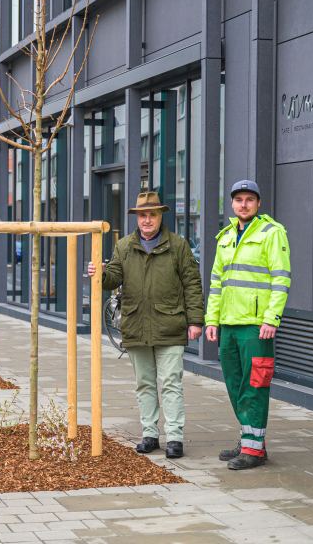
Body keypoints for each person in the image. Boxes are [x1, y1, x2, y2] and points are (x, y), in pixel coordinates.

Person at [87, 191, 204, 459]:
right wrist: (102, 273)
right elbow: (114, 278)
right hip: (137, 324)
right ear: (137, 218)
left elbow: (192, 284)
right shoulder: (124, 246)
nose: (147, 220)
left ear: (160, 215)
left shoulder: (178, 245)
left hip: (170, 325)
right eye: (142, 215)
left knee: (171, 383)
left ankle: (174, 437)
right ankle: (149, 434)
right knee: (145, 384)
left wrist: (195, 320)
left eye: (152, 214)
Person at [205, 180, 292, 471]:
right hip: (228, 325)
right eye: (239, 199)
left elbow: (281, 279)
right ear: (232, 204)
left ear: (258, 204)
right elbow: (217, 282)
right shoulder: (226, 236)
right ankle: (250, 441)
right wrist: (211, 320)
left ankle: (253, 451)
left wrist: (271, 318)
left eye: (249, 199)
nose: (244, 204)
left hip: (256, 327)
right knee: (234, 385)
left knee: (254, 386)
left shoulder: (272, 232)